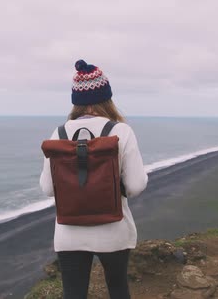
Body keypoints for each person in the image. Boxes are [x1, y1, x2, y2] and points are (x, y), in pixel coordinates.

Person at [40, 59, 148, 298]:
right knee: (118, 289)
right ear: (106, 98)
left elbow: (47, 188)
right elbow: (136, 185)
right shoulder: (121, 131)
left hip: (69, 233)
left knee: (74, 294)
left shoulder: (58, 134)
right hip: (114, 230)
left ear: (76, 101)